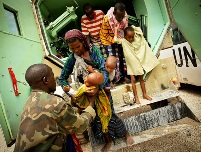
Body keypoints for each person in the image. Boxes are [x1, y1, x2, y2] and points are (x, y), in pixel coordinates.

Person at [59, 29, 134, 152]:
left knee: (110, 115)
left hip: (103, 90)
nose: (76, 50)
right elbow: (62, 79)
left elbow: (104, 70)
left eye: (78, 46)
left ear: (83, 41)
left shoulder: (94, 51)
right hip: (88, 95)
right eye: (72, 49)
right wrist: (72, 93)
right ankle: (108, 141)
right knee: (97, 119)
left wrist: (98, 87)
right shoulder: (72, 59)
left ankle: (126, 134)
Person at [14, 64, 96, 152]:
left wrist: (75, 106)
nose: (55, 80)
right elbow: (81, 125)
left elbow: (57, 113)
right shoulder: (54, 103)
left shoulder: (31, 99)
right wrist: (91, 103)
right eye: (53, 76)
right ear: (45, 80)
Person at [114, 26, 160, 104]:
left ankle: (145, 94)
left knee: (141, 79)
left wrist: (131, 27)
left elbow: (138, 30)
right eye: (129, 37)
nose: (131, 39)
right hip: (131, 64)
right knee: (133, 81)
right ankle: (136, 97)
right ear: (124, 36)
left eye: (132, 37)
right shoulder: (123, 41)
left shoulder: (136, 39)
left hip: (137, 63)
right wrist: (116, 30)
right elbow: (115, 40)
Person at [100, 2, 130, 84]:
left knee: (122, 58)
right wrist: (115, 40)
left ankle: (123, 77)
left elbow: (125, 29)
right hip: (108, 40)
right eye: (119, 17)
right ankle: (115, 79)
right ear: (114, 13)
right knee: (114, 60)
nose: (121, 19)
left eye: (122, 16)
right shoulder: (107, 19)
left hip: (119, 38)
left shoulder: (125, 17)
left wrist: (122, 41)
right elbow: (105, 35)